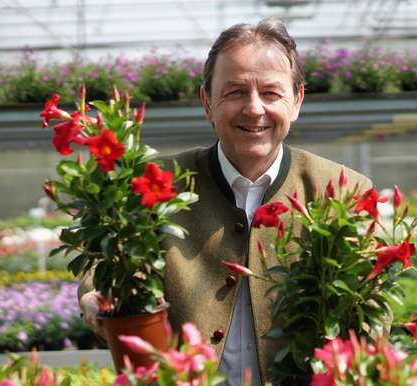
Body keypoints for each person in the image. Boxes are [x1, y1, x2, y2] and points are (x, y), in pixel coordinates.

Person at [78, 18, 371, 385]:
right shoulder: (153, 185)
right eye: (234, 92)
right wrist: (95, 297)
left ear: (296, 101)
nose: (253, 109)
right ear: (207, 102)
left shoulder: (343, 190)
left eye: (270, 93)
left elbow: (370, 310)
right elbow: (110, 268)